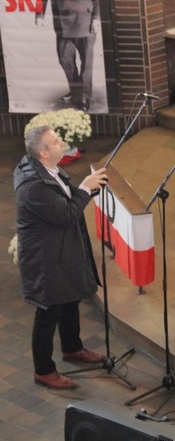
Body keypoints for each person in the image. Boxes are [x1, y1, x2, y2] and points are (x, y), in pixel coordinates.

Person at [14, 126, 108, 389]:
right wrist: (86, 189)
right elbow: (67, 214)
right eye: (57, 141)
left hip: (59, 250)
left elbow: (64, 204)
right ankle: (43, 370)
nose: (62, 142)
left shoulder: (45, 169)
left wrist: (84, 190)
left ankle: (72, 347)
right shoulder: (33, 186)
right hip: (45, 259)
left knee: (69, 298)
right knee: (49, 310)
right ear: (44, 152)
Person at [35, 0, 99, 111]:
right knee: (65, 59)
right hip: (62, 20)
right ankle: (77, 91)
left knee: (86, 62)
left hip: (85, 20)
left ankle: (84, 98)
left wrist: (97, 18)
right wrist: (40, 14)